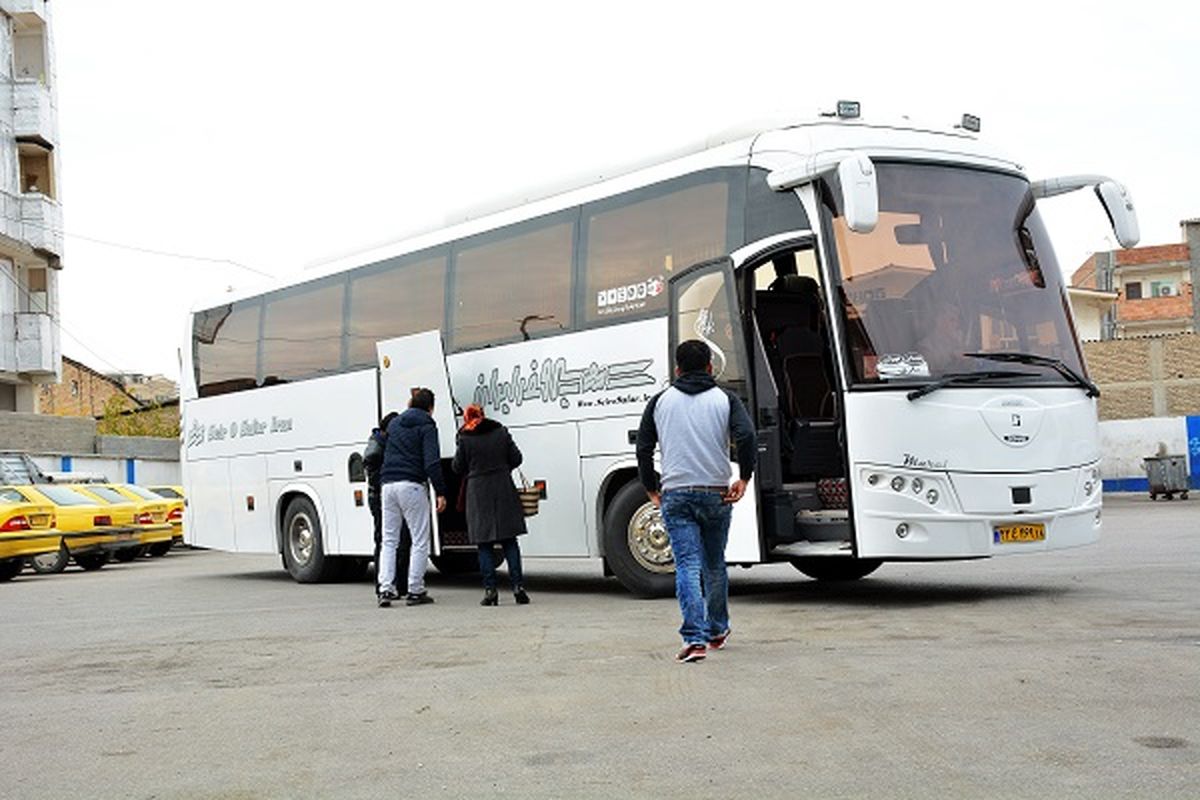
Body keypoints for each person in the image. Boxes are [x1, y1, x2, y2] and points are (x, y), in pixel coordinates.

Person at [636, 339, 756, 663]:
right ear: (709, 367)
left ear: (676, 369)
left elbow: (643, 447)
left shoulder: (660, 401)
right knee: (714, 563)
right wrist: (744, 477)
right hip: (716, 493)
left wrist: (650, 487)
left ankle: (694, 639)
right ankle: (717, 628)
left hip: (676, 494)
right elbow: (746, 436)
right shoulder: (725, 399)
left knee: (687, 565)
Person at [451, 404, 530, 606]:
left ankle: (490, 591)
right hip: (503, 487)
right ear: (483, 415)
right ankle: (518, 587)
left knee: (484, 544)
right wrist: (502, 469)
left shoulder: (465, 438)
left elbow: (457, 467)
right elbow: (517, 458)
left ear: (467, 418)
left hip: (478, 492)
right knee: (509, 541)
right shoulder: (501, 432)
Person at [377, 387, 448, 607]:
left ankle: (386, 589)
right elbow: (432, 462)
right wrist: (441, 491)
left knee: (389, 540)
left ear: (410, 404)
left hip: (387, 485)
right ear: (431, 408)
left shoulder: (395, 424)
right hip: (411, 485)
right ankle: (415, 590)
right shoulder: (427, 425)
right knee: (419, 539)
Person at [363, 411, 409, 601]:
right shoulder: (379, 447)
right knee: (389, 540)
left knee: (386, 540)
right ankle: (391, 585)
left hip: (379, 496)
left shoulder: (377, 442)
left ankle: (387, 585)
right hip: (381, 497)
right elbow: (375, 472)